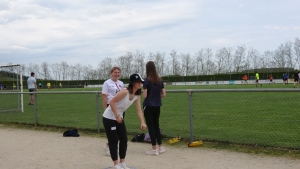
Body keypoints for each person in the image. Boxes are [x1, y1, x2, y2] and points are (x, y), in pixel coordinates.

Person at [102, 73, 147, 169]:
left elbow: (139, 110)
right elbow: (111, 102)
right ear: (132, 83)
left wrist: (142, 122)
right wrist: (117, 115)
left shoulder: (137, 95)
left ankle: (122, 163)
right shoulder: (125, 91)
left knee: (124, 139)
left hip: (119, 118)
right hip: (109, 117)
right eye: (137, 82)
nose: (140, 84)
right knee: (113, 140)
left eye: (141, 82)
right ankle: (116, 164)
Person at [143, 61, 166, 156]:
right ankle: (160, 146)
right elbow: (164, 94)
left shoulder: (146, 80)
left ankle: (154, 148)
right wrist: (156, 96)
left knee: (151, 127)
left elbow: (145, 95)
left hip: (148, 105)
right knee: (156, 125)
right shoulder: (159, 80)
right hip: (157, 106)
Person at [102, 67, 125, 156]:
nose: (117, 74)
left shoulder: (121, 83)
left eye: (118, 72)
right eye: (115, 72)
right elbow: (104, 97)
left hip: (120, 108)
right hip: (110, 107)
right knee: (111, 129)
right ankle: (109, 146)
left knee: (119, 129)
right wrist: (105, 109)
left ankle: (113, 146)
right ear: (111, 73)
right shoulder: (107, 83)